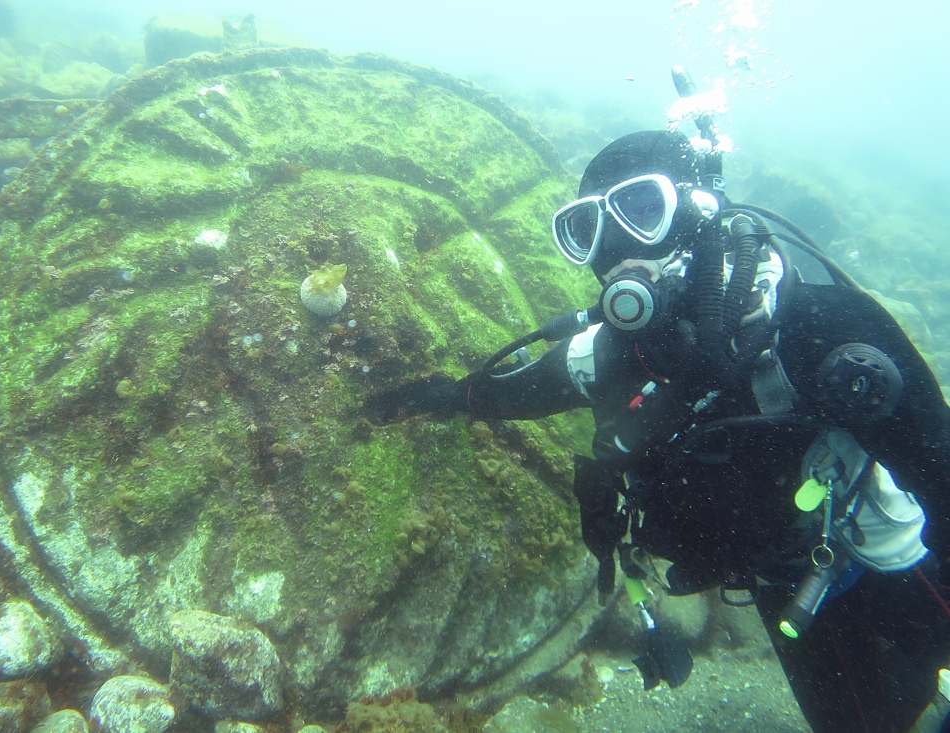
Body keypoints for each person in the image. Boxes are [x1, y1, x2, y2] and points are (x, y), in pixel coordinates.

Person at [365, 126, 950, 732]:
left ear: (700, 212)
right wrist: (422, 397)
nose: (618, 247)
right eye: (587, 230)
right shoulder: (611, 355)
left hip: (879, 563)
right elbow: (506, 393)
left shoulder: (822, 329)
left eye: (644, 210)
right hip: (782, 585)